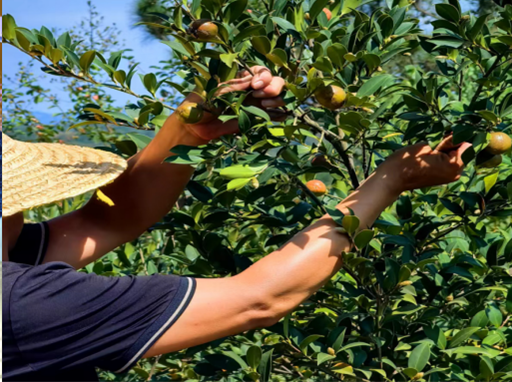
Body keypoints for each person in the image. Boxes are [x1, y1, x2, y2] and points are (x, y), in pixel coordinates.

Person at [2, 66, 472, 382]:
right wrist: (391, 178)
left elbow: (109, 216)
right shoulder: (21, 306)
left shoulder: (12, 261)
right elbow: (259, 297)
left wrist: (187, 131)